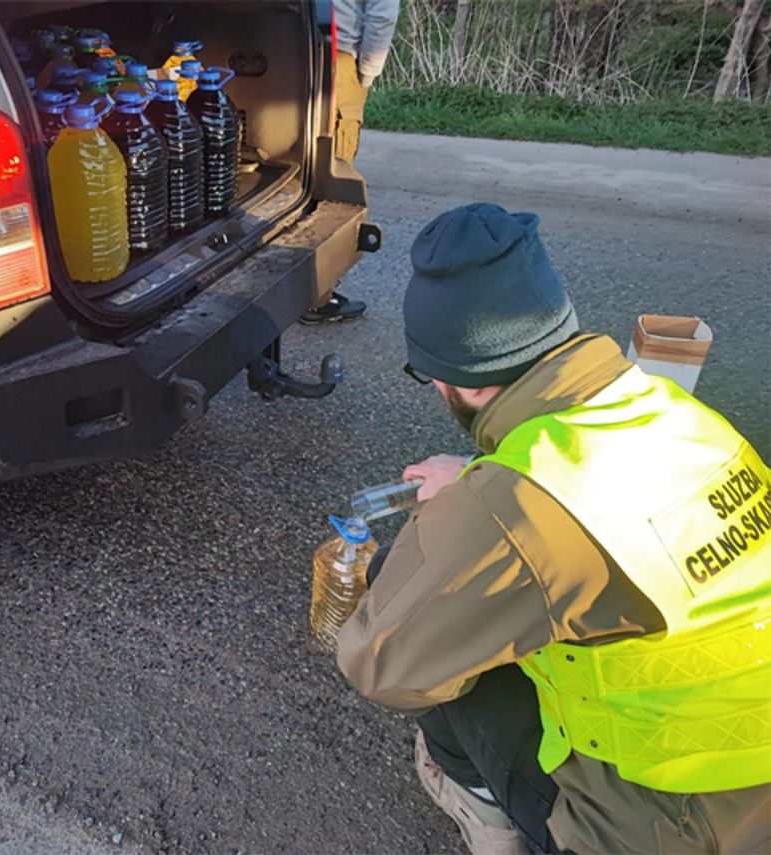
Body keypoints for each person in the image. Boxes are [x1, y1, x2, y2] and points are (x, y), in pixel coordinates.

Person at [336, 203, 771, 854]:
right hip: (742, 766)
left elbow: (378, 666)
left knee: (432, 632)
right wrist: (484, 476)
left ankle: (490, 818)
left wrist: (462, 517)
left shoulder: (517, 507)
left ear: (457, 381)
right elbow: (601, 499)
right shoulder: (677, 414)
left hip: (675, 831)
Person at [300, 0, 400, 325]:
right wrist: (366, 74)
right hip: (335, 55)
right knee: (332, 176)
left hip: (282, 48)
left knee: (289, 173)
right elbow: (382, 13)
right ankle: (317, 297)